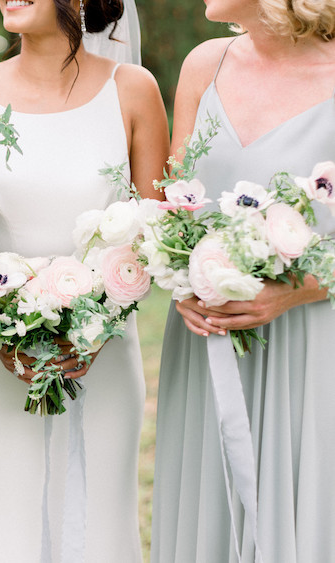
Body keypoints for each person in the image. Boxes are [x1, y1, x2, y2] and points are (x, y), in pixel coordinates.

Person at [0, 0, 168, 561]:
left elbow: (152, 233)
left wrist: (91, 330)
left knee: (94, 522)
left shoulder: (134, 91)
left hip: (100, 356)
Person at [150, 0, 335, 560]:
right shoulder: (205, 64)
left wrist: (301, 289)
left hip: (314, 345)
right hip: (209, 339)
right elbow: (173, 203)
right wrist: (182, 278)